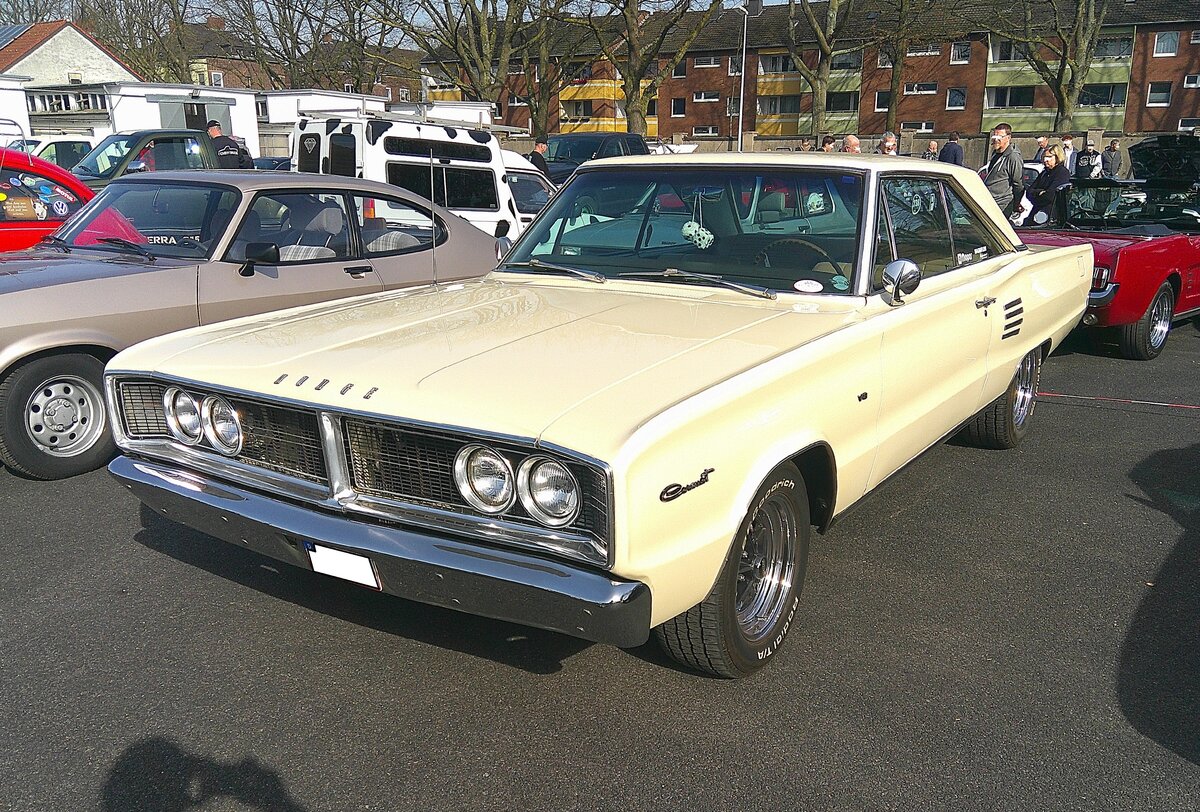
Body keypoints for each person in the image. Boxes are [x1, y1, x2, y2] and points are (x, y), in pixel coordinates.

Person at [983, 122, 1024, 215]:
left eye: (999, 137)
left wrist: (1016, 204)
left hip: (1002, 204)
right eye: (994, 137)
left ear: (1008, 138)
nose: (996, 140)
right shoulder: (995, 154)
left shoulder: (1013, 157)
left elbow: (1018, 184)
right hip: (990, 201)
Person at [1025, 144, 1071, 224]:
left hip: (1051, 217)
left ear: (1057, 157)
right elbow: (1029, 192)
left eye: (1049, 157)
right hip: (1036, 213)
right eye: (1044, 157)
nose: (1046, 160)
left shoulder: (1062, 172)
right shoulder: (1044, 173)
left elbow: (1050, 196)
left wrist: (1038, 195)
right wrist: (1039, 192)